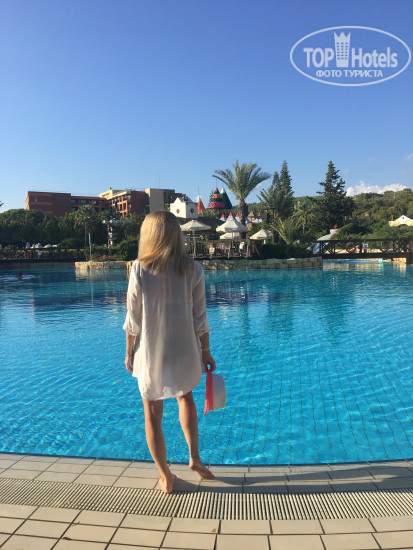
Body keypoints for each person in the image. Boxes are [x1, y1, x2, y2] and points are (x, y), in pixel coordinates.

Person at [123, 211, 216, 494]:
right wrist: (206, 351)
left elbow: (133, 319)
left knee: (152, 412)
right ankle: (195, 458)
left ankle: (165, 476)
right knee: (186, 398)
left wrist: (129, 352)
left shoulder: (139, 268)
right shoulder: (194, 269)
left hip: (152, 349)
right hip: (184, 348)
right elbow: (200, 317)